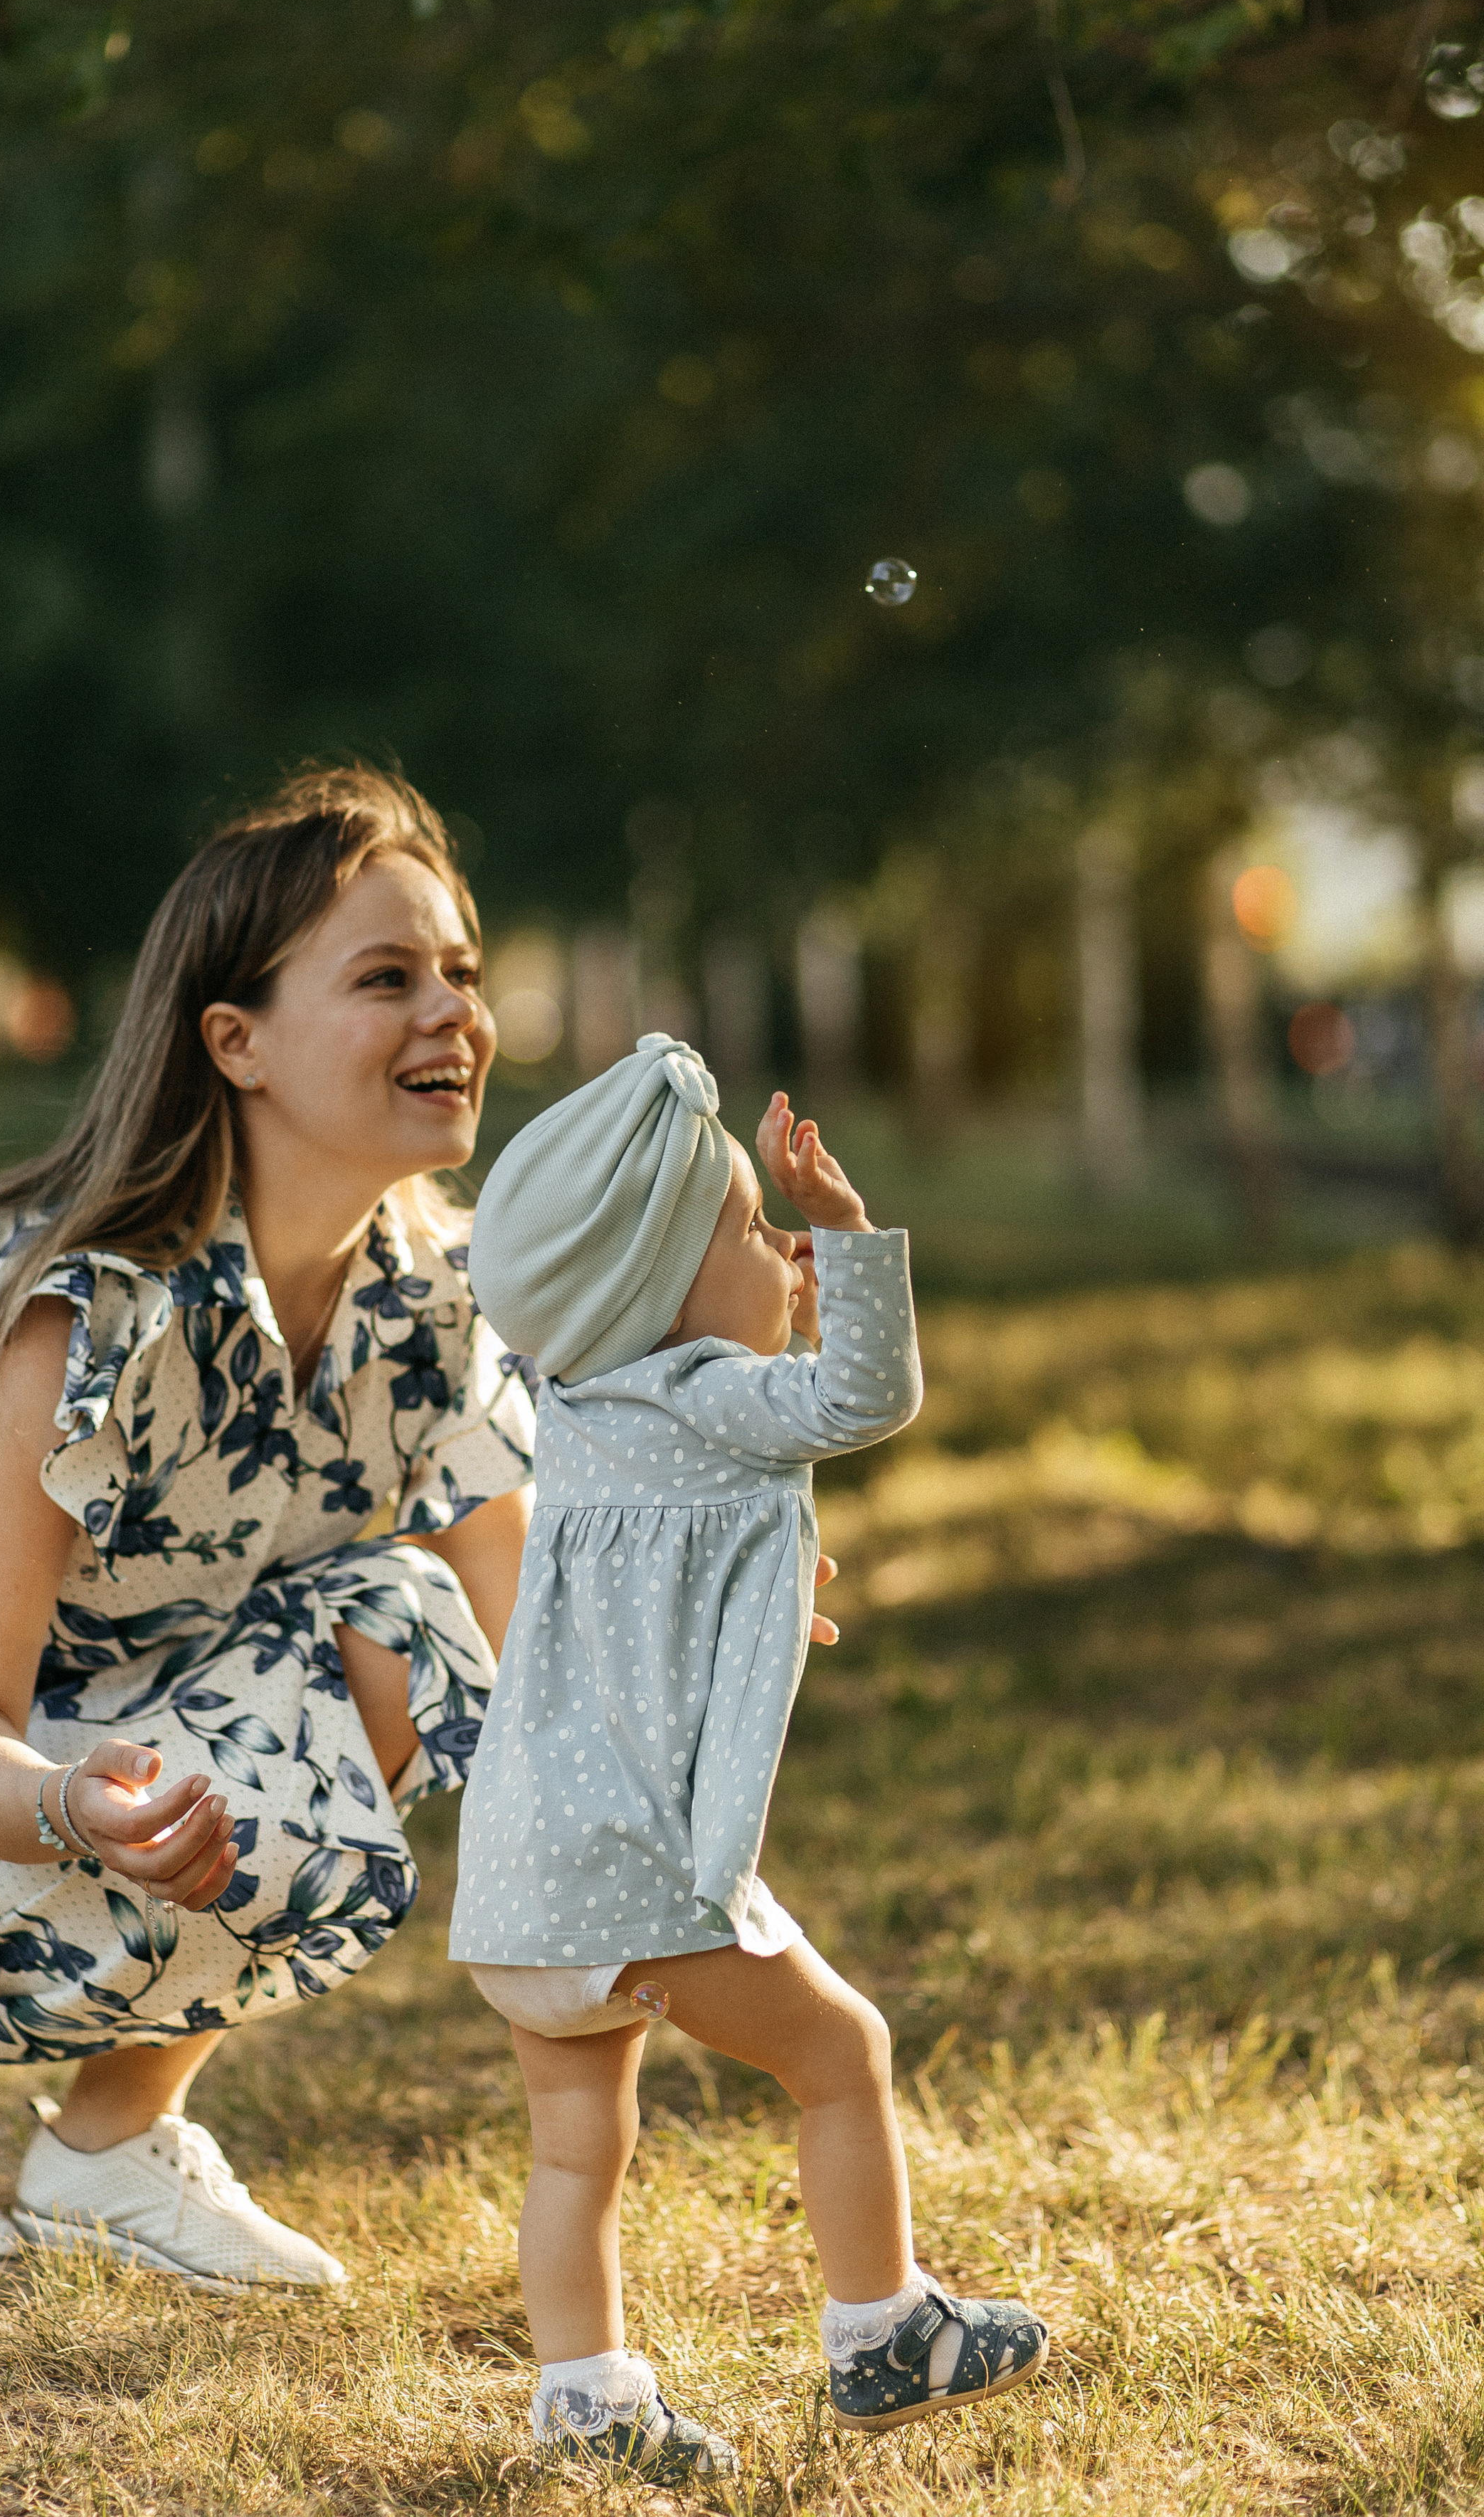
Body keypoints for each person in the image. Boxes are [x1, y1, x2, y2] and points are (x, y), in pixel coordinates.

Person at [0, 766, 534, 2288]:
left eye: (461, 972)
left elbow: (530, 1624)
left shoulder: (431, 1303)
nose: (450, 1011)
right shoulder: (82, 1321)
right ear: (234, 1040)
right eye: (387, 977)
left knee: (407, 1626)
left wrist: (719, 1581)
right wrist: (81, 1808)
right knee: (198, 1780)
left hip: (90, 1724)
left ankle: (109, 2141)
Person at [451, 1034, 1048, 2474]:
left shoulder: (583, 1411)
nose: (777, 1245)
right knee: (843, 2053)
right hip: (628, 1867)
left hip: (520, 1872)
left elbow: (652, 1588)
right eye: (748, 1229)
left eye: (783, 1228)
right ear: (656, 1295)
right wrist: (849, 1243)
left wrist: (764, 1605)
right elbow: (861, 1402)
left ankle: (585, 2399)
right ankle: (880, 2331)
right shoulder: (709, 1394)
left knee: (575, 2146)